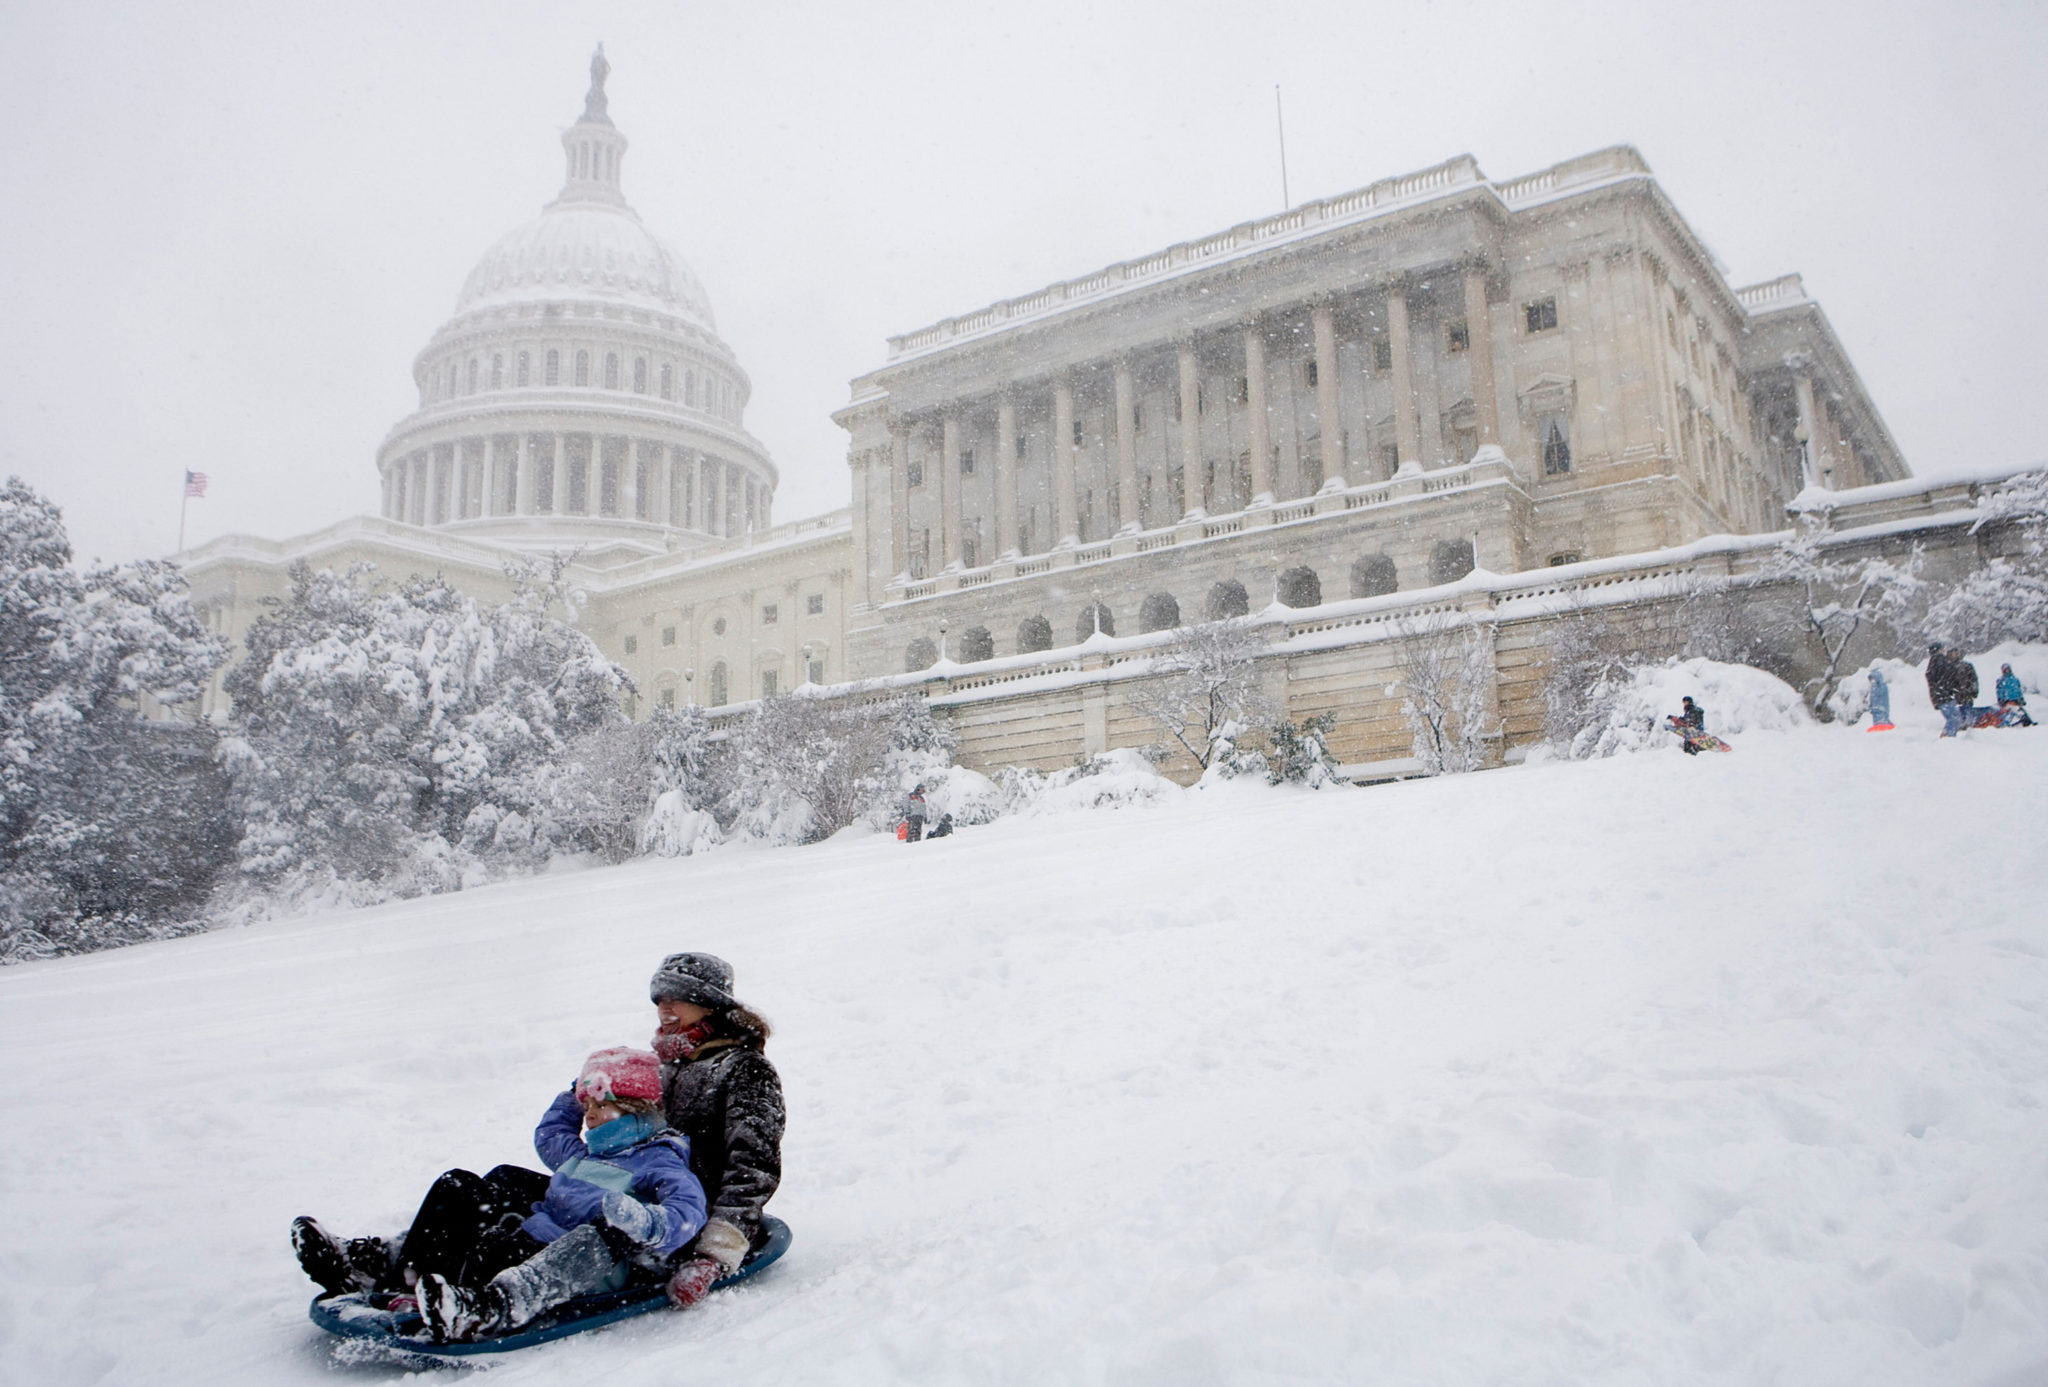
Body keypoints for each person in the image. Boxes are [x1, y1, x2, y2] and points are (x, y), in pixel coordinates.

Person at [293, 1047, 708, 1345]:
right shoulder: (587, 1153)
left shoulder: (660, 1162)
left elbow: (688, 1212)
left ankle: (487, 1310)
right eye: (587, 1110)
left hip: (579, 1264)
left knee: (596, 1233)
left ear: (637, 1109)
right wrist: (576, 1091)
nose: (590, 1117)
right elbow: (550, 1135)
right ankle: (392, 1270)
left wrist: (645, 1221)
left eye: (601, 1107)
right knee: (461, 1186)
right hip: (530, 1239)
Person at [647, 953, 786, 1309]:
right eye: (660, 999)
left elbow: (753, 1166)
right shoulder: (662, 1068)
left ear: (709, 1005)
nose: (666, 1008)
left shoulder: (744, 1070)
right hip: (647, 1198)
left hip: (689, 1217)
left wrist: (715, 1252)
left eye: (677, 998)